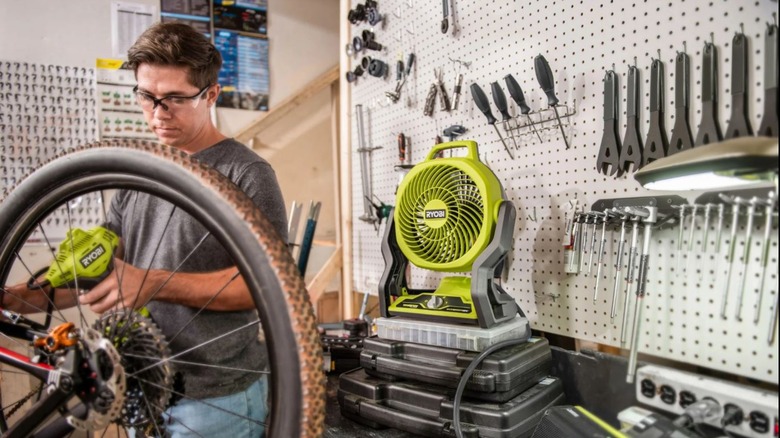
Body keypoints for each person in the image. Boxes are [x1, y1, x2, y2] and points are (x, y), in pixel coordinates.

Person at [4, 22, 287, 437]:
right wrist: (16, 299)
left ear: (210, 94)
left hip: (215, 399)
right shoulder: (138, 176)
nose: (157, 113)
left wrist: (154, 283)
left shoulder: (247, 174)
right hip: (142, 386)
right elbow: (100, 274)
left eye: (174, 98)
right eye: (147, 97)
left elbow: (272, 288)